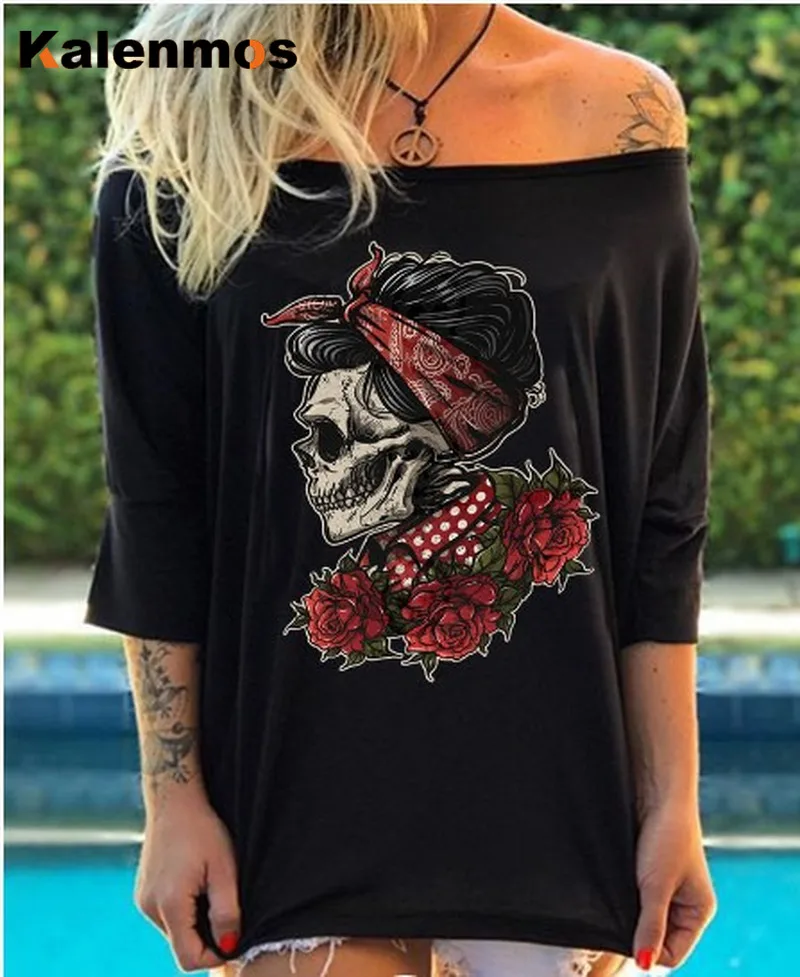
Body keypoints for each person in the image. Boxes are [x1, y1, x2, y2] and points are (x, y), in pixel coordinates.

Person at [83, 4, 717, 977]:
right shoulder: (196, 94)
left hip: (557, 807)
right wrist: (172, 798)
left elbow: (659, 498)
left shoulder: (619, 112)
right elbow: (157, 497)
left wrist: (673, 799)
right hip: (288, 804)